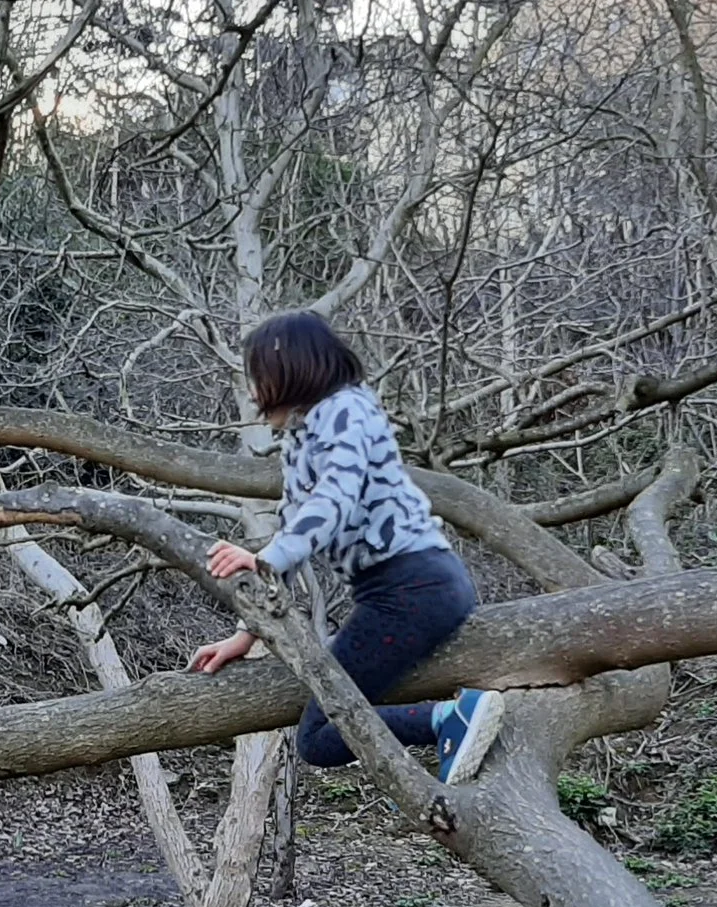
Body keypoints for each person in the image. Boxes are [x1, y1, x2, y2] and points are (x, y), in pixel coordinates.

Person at [187, 310, 506, 784]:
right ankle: (445, 722)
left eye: (259, 378)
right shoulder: (301, 439)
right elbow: (294, 524)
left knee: (318, 737)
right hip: (400, 593)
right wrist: (247, 632)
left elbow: (335, 497)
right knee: (331, 717)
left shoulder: (347, 410)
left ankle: (447, 718)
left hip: (412, 589)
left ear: (291, 370)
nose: (254, 394)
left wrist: (265, 558)